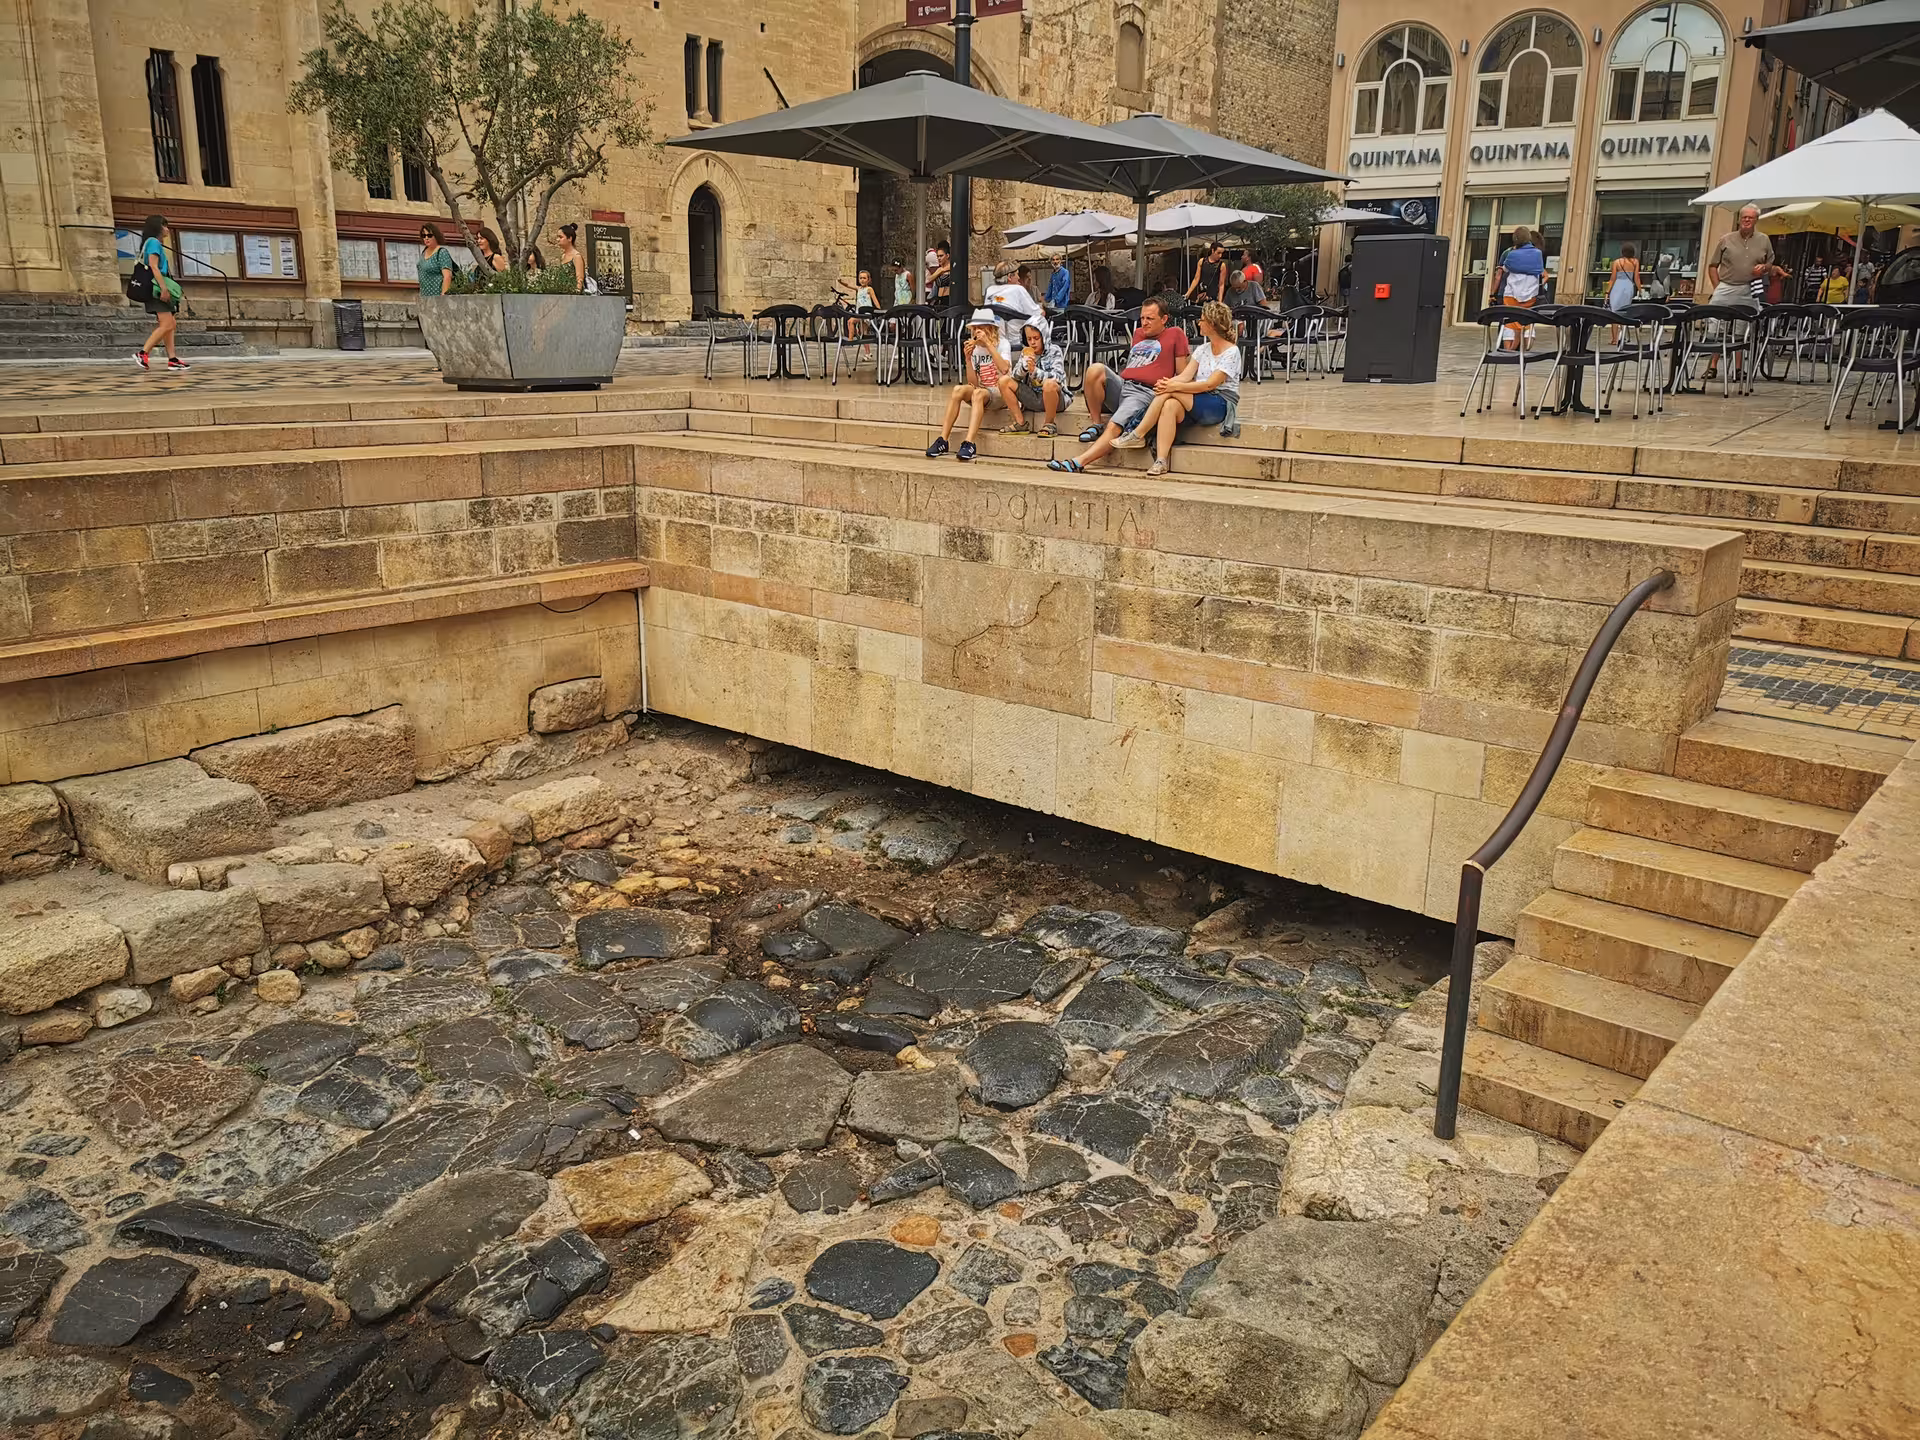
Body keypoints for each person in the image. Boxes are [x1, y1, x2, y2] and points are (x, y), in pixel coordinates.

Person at [1048, 294, 1190, 472]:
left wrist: (1169, 386)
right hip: (1124, 384)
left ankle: (1079, 462)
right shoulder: (1138, 333)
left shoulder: (1175, 334)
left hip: (1145, 393)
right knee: (1095, 369)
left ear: (1164, 319)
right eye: (1142, 318)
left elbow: (1183, 374)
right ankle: (1096, 423)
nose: (1144, 323)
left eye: (1150, 319)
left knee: (1115, 424)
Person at [1112, 300, 1240, 477]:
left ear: (1212, 324)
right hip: (1200, 397)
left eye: (1202, 320)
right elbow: (1185, 376)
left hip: (1220, 402)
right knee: (1169, 404)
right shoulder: (1202, 349)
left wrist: (1173, 386)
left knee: (1171, 391)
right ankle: (1161, 461)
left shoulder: (1231, 351)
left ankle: (1137, 432)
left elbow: (1210, 384)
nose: (1198, 323)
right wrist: (1168, 382)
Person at [925, 310, 1011, 462]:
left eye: (980, 328)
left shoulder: (1003, 344)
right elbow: (974, 383)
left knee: (978, 394)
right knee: (958, 389)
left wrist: (989, 345)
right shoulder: (976, 348)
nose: (976, 332)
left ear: (989, 328)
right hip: (983, 391)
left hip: (1000, 392)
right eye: (974, 329)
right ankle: (942, 440)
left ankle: (969, 443)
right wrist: (968, 359)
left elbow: (1005, 369)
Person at [132, 214, 188, 370]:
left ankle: (173, 359)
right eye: (164, 226)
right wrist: (164, 288)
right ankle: (143, 353)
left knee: (171, 324)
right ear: (157, 227)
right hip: (156, 288)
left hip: (156, 287)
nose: (167, 229)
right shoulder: (154, 243)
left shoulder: (152, 243)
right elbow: (154, 267)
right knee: (167, 324)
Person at [998, 319, 1071, 436]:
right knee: (1004, 381)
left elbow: (1058, 378)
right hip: (1033, 397)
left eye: (1036, 338)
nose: (1032, 342)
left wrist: (1035, 372)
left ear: (1044, 337)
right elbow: (1014, 377)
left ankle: (1049, 424)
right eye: (1029, 339)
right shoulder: (1025, 352)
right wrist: (1024, 367)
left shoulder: (1054, 350)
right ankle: (1020, 423)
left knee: (1049, 384)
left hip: (1055, 399)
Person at [1489, 224, 1546, 349]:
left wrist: (1492, 294)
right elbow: (1541, 272)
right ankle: (1524, 350)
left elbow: (1504, 270)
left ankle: (1509, 350)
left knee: (1510, 321)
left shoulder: (1511, 254)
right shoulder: (1537, 254)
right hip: (1531, 296)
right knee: (1527, 321)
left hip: (1511, 296)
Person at [1705, 206, 1771, 309]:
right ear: (1739, 220)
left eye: (1750, 217)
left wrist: (1764, 267)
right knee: (1715, 318)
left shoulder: (1764, 239)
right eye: (1744, 217)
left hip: (1750, 288)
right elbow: (1712, 266)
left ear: (1756, 220)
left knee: (1743, 322)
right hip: (1726, 286)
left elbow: (1769, 264)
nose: (1747, 220)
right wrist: (1717, 287)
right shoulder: (1726, 239)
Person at [984, 260, 1043, 350]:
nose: (1019, 277)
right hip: (1016, 340)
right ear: (1009, 277)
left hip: (994, 340)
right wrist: (1042, 310)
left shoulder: (990, 290)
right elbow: (1036, 313)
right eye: (1017, 274)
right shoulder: (1018, 289)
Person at [1606, 243, 1640, 343]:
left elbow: (1612, 279)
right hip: (1629, 286)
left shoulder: (1616, 262)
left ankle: (1614, 339)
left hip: (1618, 286)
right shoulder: (1635, 262)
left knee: (1614, 311)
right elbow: (1637, 278)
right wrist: (1640, 290)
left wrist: (1607, 292)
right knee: (1625, 311)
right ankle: (1623, 335)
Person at [555, 223, 588, 291]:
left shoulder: (576, 256)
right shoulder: (563, 256)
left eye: (561, 237)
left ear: (569, 238)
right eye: (557, 237)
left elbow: (579, 280)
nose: (557, 239)